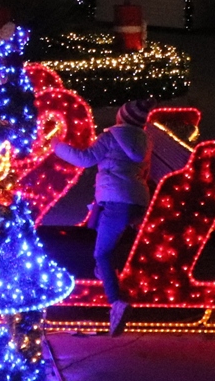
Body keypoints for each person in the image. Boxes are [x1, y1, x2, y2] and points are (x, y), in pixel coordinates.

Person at [53, 97, 156, 334]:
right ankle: (105, 269)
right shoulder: (145, 140)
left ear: (121, 116)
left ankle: (116, 302)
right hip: (138, 200)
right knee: (96, 222)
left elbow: (85, 159)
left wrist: (57, 146)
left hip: (117, 201)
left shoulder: (110, 137)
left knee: (102, 252)